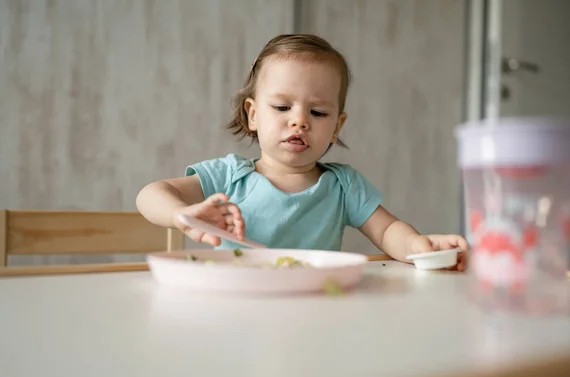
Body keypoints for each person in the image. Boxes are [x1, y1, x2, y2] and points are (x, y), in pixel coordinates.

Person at [136, 33, 468, 270]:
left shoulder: (343, 186)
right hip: (236, 308)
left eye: (318, 113)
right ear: (253, 115)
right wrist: (182, 215)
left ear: (337, 127)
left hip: (313, 311)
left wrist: (417, 247)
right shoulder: (228, 177)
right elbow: (152, 195)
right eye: (282, 107)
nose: (299, 121)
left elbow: (386, 230)